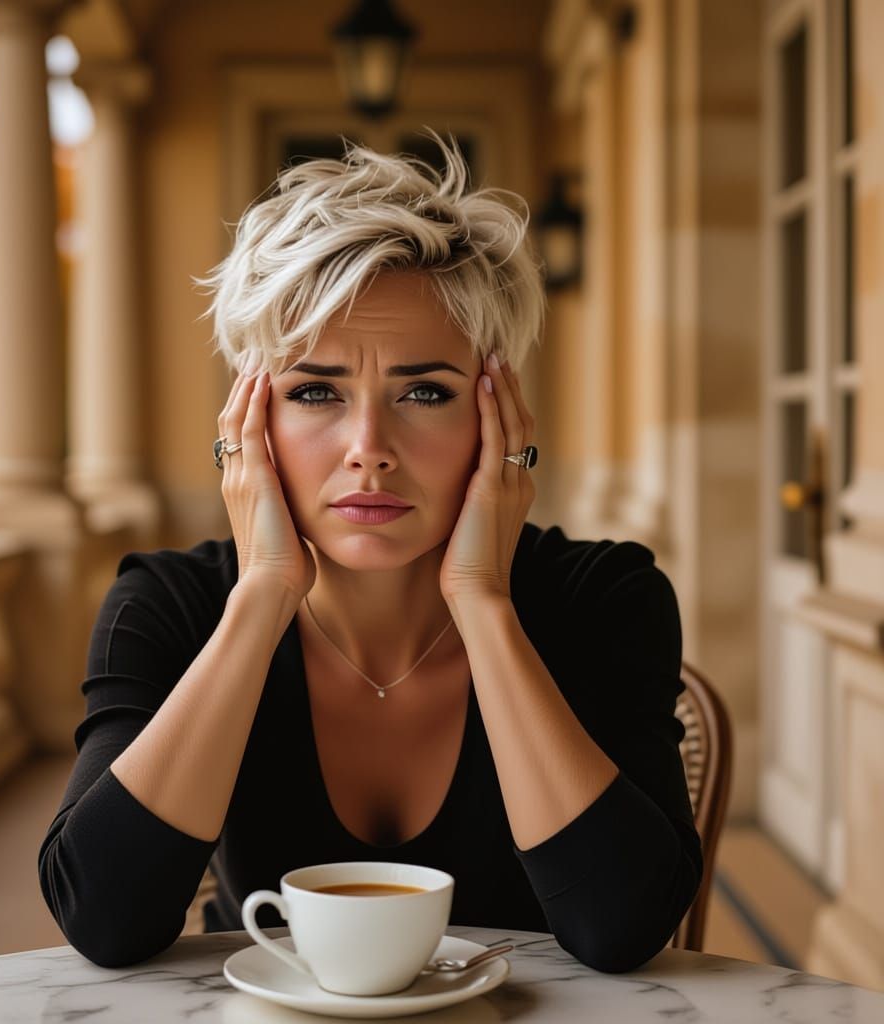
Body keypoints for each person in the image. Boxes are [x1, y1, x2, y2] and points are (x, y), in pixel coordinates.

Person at [38, 130, 702, 973]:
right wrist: (261, 599)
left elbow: (623, 927)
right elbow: (103, 917)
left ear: (497, 421)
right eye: (316, 390)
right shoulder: (168, 603)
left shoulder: (606, 596)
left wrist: (483, 603)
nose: (368, 446)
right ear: (250, 425)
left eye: (424, 391)